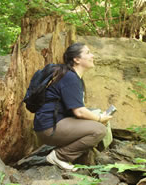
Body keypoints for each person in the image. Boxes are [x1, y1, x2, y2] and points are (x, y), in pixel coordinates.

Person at [33, 42, 112, 171]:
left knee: (95, 117)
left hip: (54, 124)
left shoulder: (73, 77)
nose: (92, 55)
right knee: (99, 130)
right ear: (76, 59)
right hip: (48, 128)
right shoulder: (70, 78)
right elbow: (79, 112)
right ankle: (59, 156)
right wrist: (99, 119)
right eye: (87, 53)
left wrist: (97, 116)